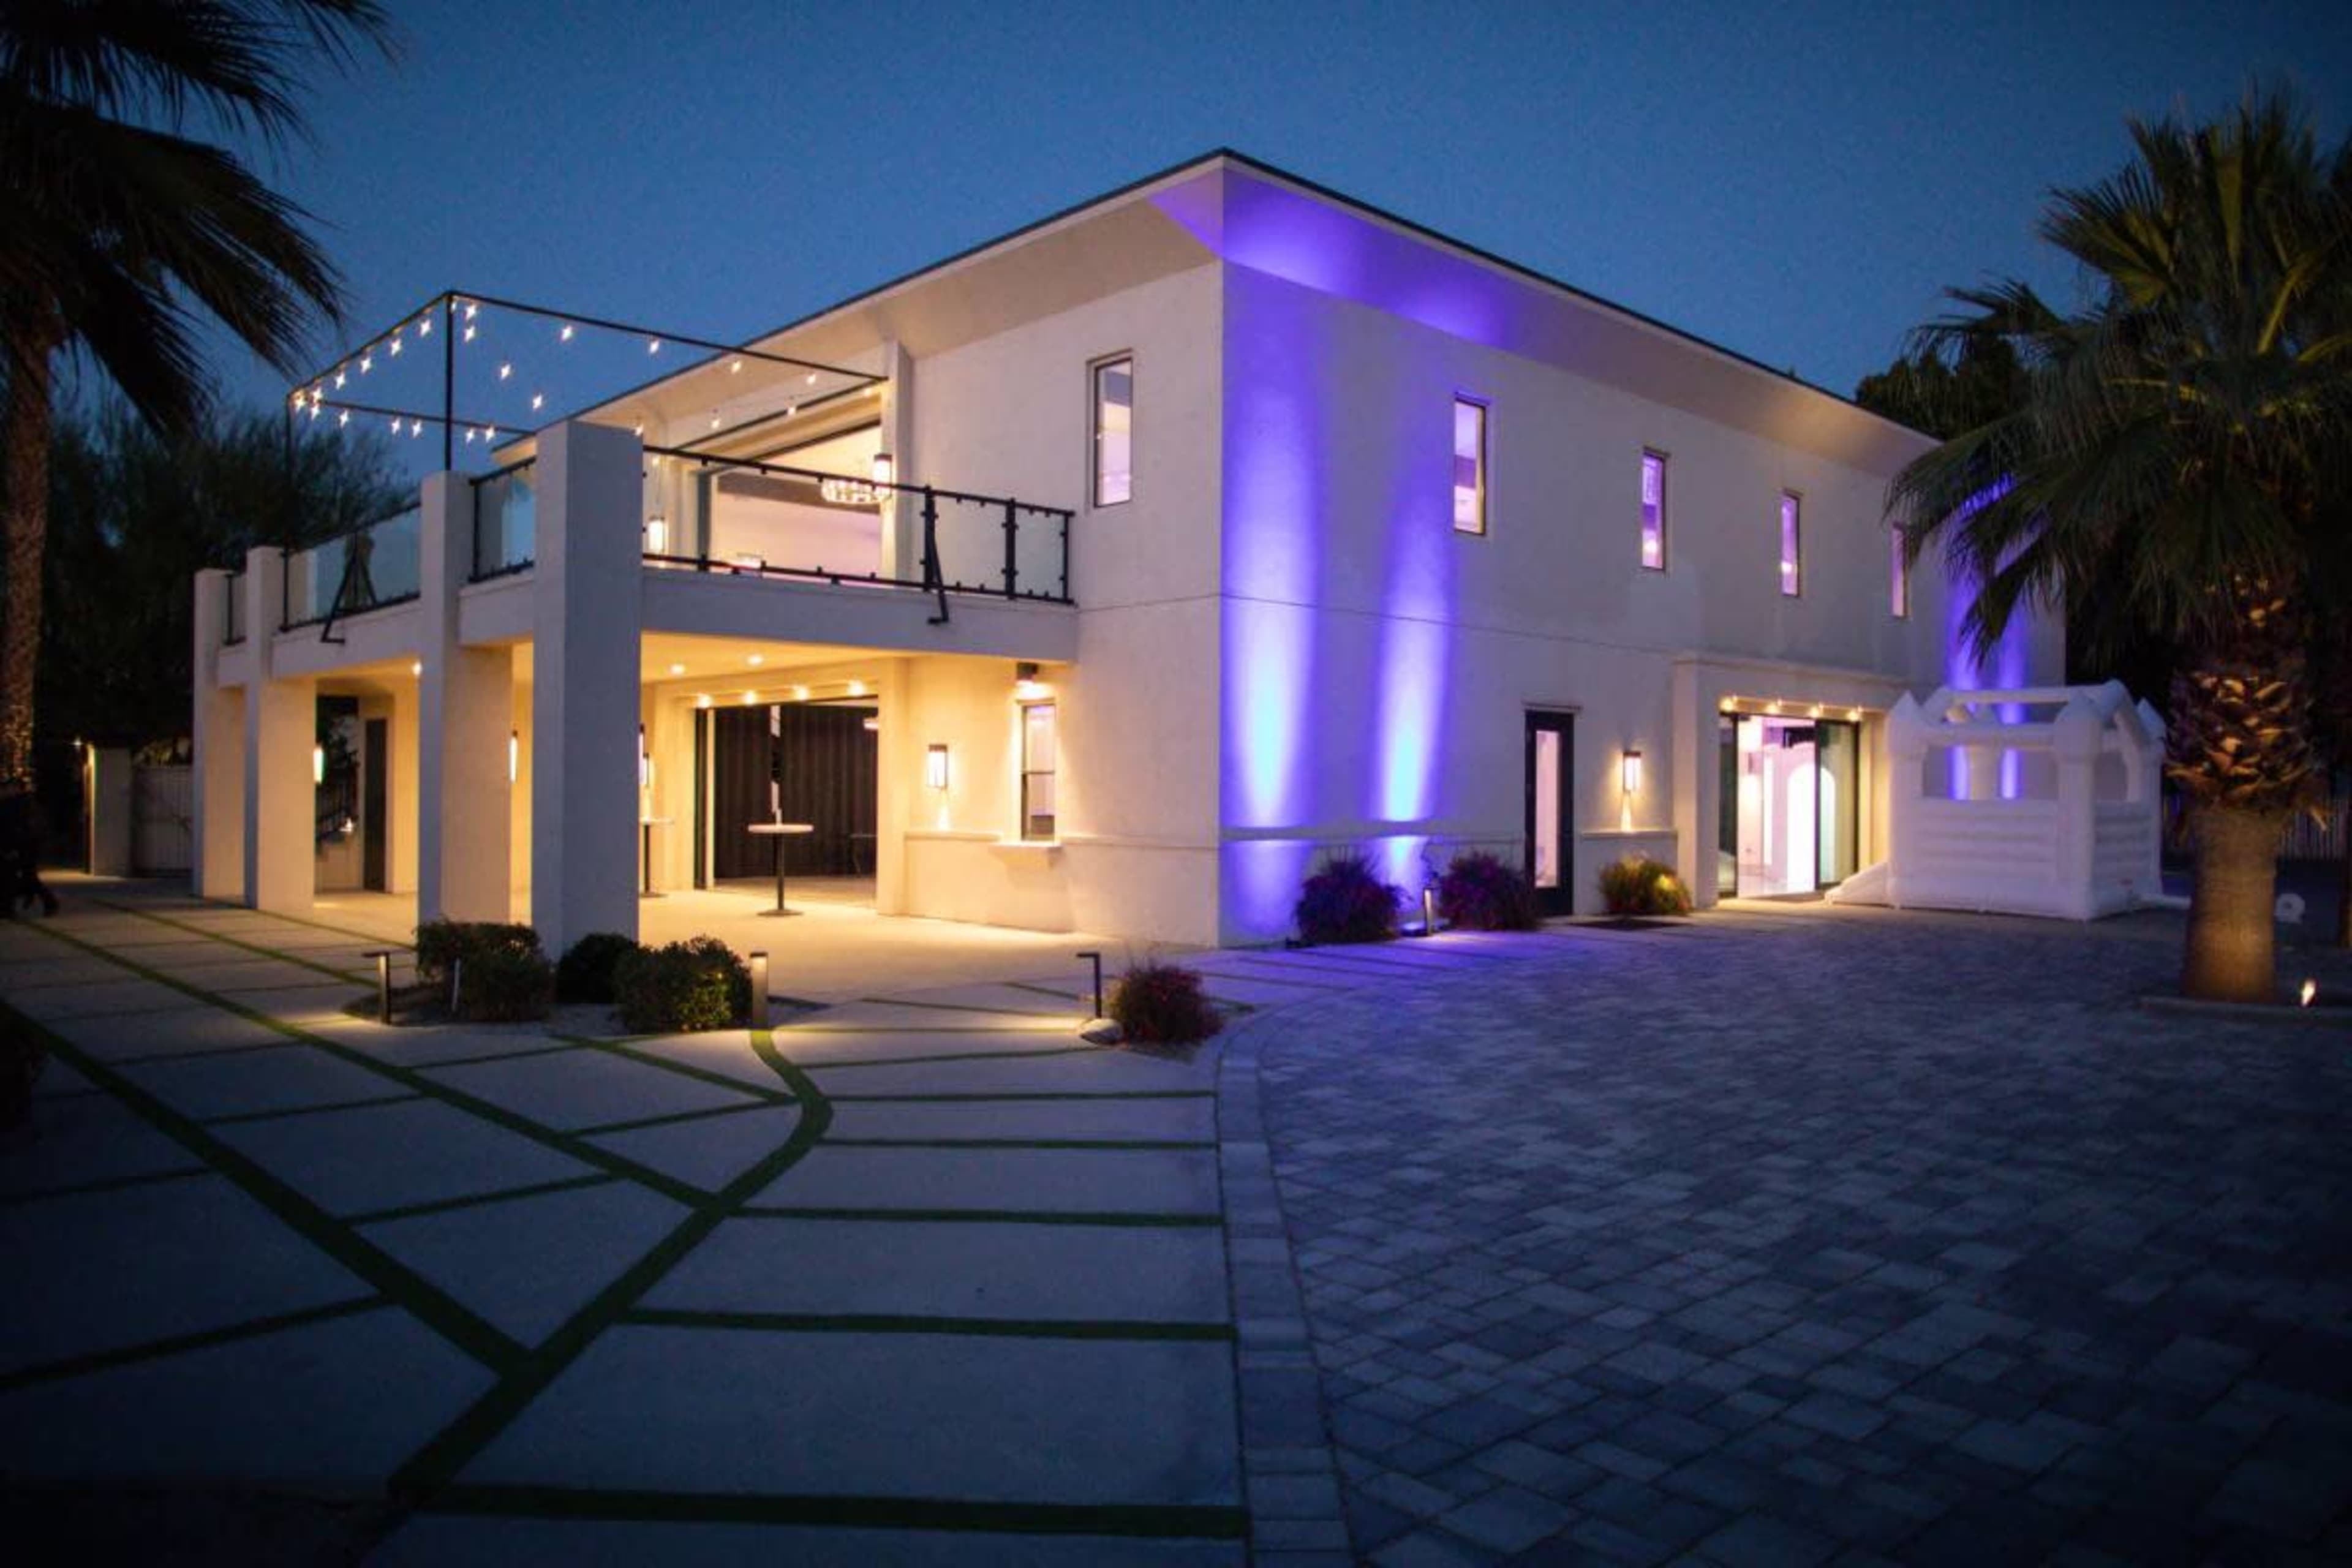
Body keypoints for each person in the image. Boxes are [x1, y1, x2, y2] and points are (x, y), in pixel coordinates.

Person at [0, 778, 58, 918]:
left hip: (20, 847)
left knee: (13, 877)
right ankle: (11, 907)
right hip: (27, 846)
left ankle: (10, 908)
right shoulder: (26, 803)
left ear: (16, 788)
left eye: (8, 788)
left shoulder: (15, 805)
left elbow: (12, 828)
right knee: (24, 877)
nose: (5, 791)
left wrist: (10, 848)